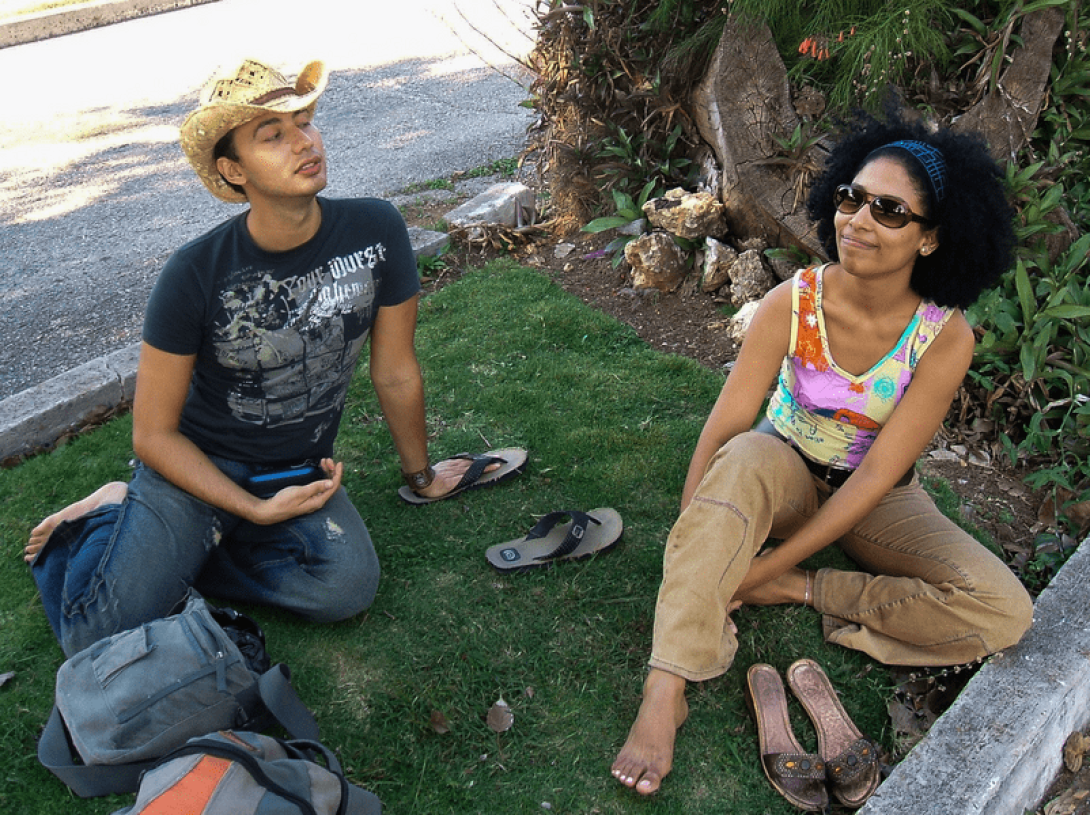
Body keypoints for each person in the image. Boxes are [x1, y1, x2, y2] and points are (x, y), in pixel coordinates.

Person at [26, 58, 519, 657]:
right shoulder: (194, 272)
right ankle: (107, 517)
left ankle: (182, 553)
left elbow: (394, 370)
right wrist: (252, 510)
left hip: (297, 467)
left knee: (344, 588)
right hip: (197, 469)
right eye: (273, 135)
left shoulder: (376, 228)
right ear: (233, 170)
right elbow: (153, 435)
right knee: (96, 631)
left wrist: (421, 477)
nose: (304, 142)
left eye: (305, 123)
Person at [610, 111, 1034, 795]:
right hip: (780, 474)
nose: (859, 219)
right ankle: (667, 686)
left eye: (890, 210)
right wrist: (697, 531)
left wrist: (773, 571)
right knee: (746, 455)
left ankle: (809, 591)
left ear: (930, 239)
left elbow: (876, 478)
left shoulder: (944, 337)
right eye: (851, 197)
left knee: (1004, 609)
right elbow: (724, 429)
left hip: (877, 496)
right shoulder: (793, 300)